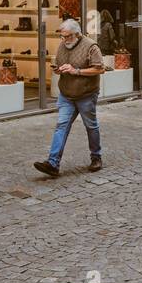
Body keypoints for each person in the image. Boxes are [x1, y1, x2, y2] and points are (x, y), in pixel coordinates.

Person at [34, 18, 106, 176]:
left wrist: (77, 71)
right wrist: (58, 70)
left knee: (91, 126)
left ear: (78, 34)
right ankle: (53, 163)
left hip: (86, 94)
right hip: (66, 94)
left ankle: (96, 157)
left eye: (68, 36)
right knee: (61, 126)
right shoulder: (62, 45)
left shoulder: (91, 46)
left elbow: (100, 69)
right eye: (62, 36)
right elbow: (60, 64)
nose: (64, 40)